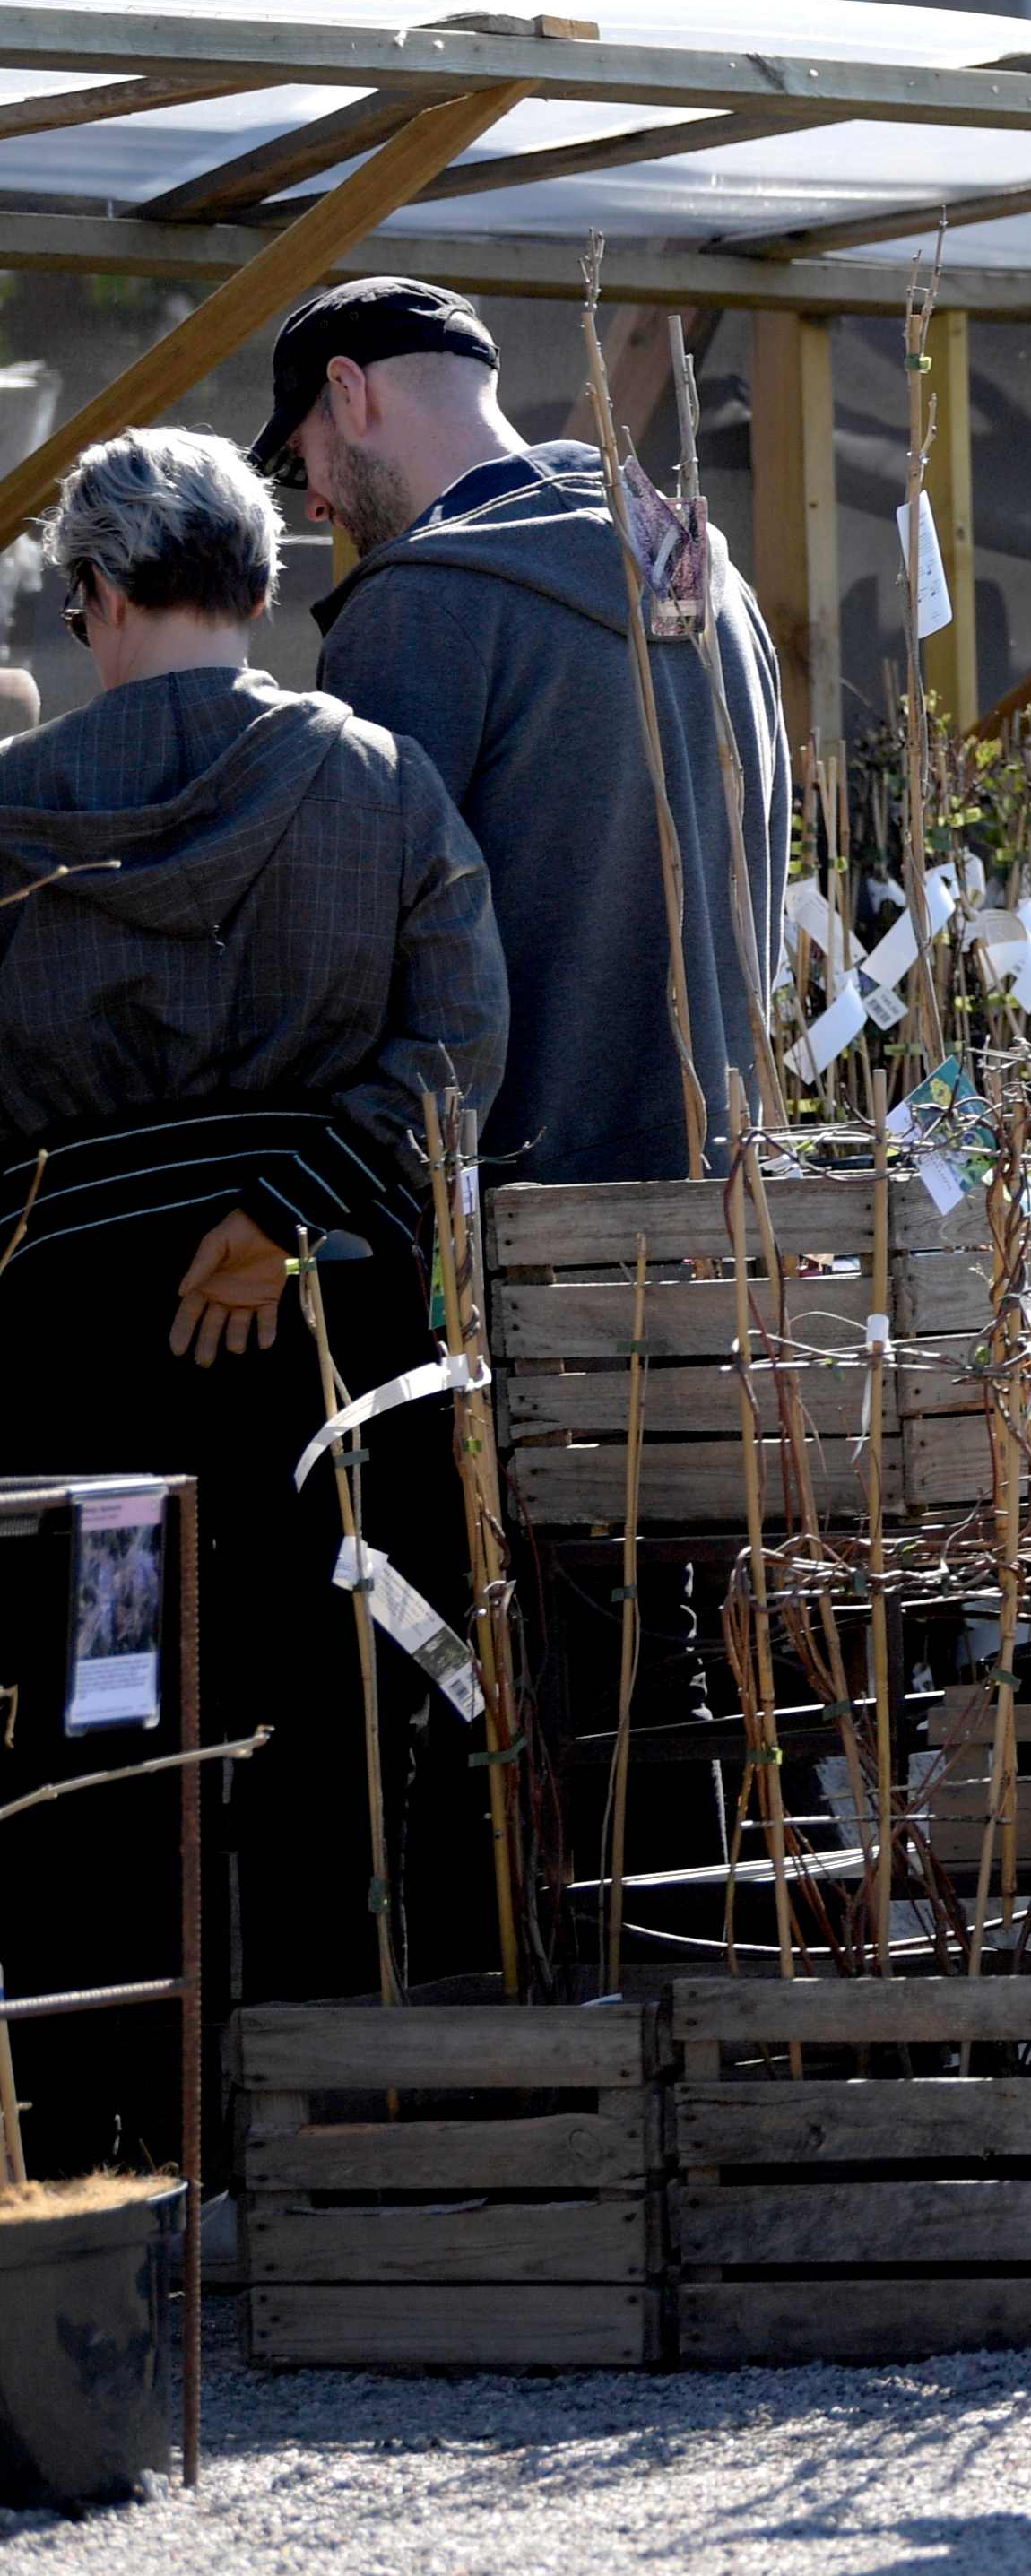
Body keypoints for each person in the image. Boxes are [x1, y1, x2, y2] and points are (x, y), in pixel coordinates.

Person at [0, 427, 507, 2167]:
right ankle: (329, 2124)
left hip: (74, 1351)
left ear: (103, 593)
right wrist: (279, 1207)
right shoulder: (381, 782)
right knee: (336, 1715)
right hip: (328, 1351)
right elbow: (457, 1049)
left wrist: (137, 1213)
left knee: (97, 1725)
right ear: (262, 583)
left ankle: (100, 2144)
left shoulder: (8, 809)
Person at [277, 277, 786, 1185]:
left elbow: (361, 965)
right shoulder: (711, 579)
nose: (313, 501)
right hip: (730, 1210)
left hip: (522, 1226)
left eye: (297, 457)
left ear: (350, 392)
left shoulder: (417, 606)